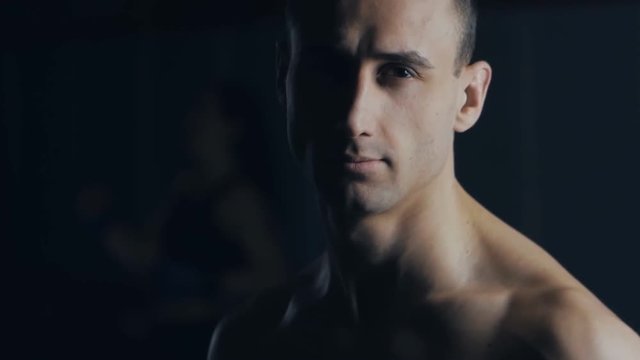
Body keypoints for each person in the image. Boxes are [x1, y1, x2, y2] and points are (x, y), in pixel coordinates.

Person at [208, 0, 640, 358]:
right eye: (326, 67)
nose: (354, 117)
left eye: (400, 72)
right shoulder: (251, 340)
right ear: (284, 76)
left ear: (469, 99)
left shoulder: (568, 344)